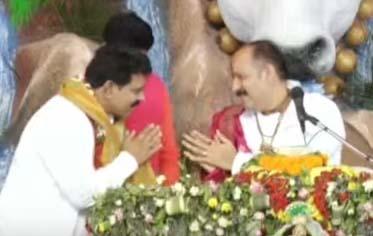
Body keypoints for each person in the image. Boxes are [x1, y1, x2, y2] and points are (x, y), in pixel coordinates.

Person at [0, 46, 162, 236]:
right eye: (136, 91)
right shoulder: (68, 118)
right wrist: (130, 159)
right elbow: (83, 195)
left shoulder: (94, 118)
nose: (142, 98)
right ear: (109, 88)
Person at [182, 40, 345, 175]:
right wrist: (218, 172)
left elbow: (312, 172)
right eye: (233, 78)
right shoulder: (236, 121)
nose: (234, 87)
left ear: (267, 72)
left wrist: (236, 162)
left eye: (241, 77)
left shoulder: (319, 110)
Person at [102, 11, 180, 185]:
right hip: (147, 193)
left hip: (112, 193)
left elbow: (168, 149)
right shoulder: (157, 85)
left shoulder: (94, 85)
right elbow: (169, 153)